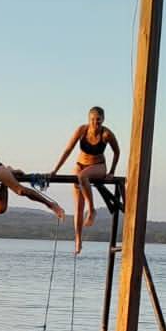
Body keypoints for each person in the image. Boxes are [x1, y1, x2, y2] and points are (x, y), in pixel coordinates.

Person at [48, 106, 122, 254]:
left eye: (98, 120)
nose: (95, 123)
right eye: (93, 120)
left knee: (82, 176)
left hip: (98, 166)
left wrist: (112, 171)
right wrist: (55, 170)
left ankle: (92, 210)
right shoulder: (82, 130)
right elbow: (68, 150)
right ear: (89, 120)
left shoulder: (106, 134)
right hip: (80, 165)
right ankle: (78, 240)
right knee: (78, 207)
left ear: (103, 120)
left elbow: (117, 152)